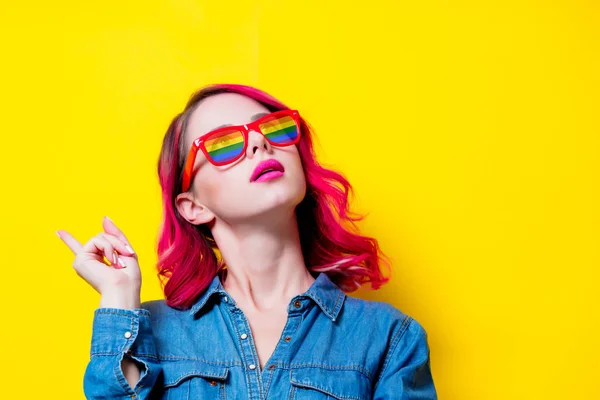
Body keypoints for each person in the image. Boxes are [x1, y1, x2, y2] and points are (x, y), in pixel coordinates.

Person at [58, 84, 438, 399]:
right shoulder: (153, 330)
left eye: (272, 129)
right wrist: (119, 301)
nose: (260, 145)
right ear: (193, 206)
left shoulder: (389, 337)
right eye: (223, 144)